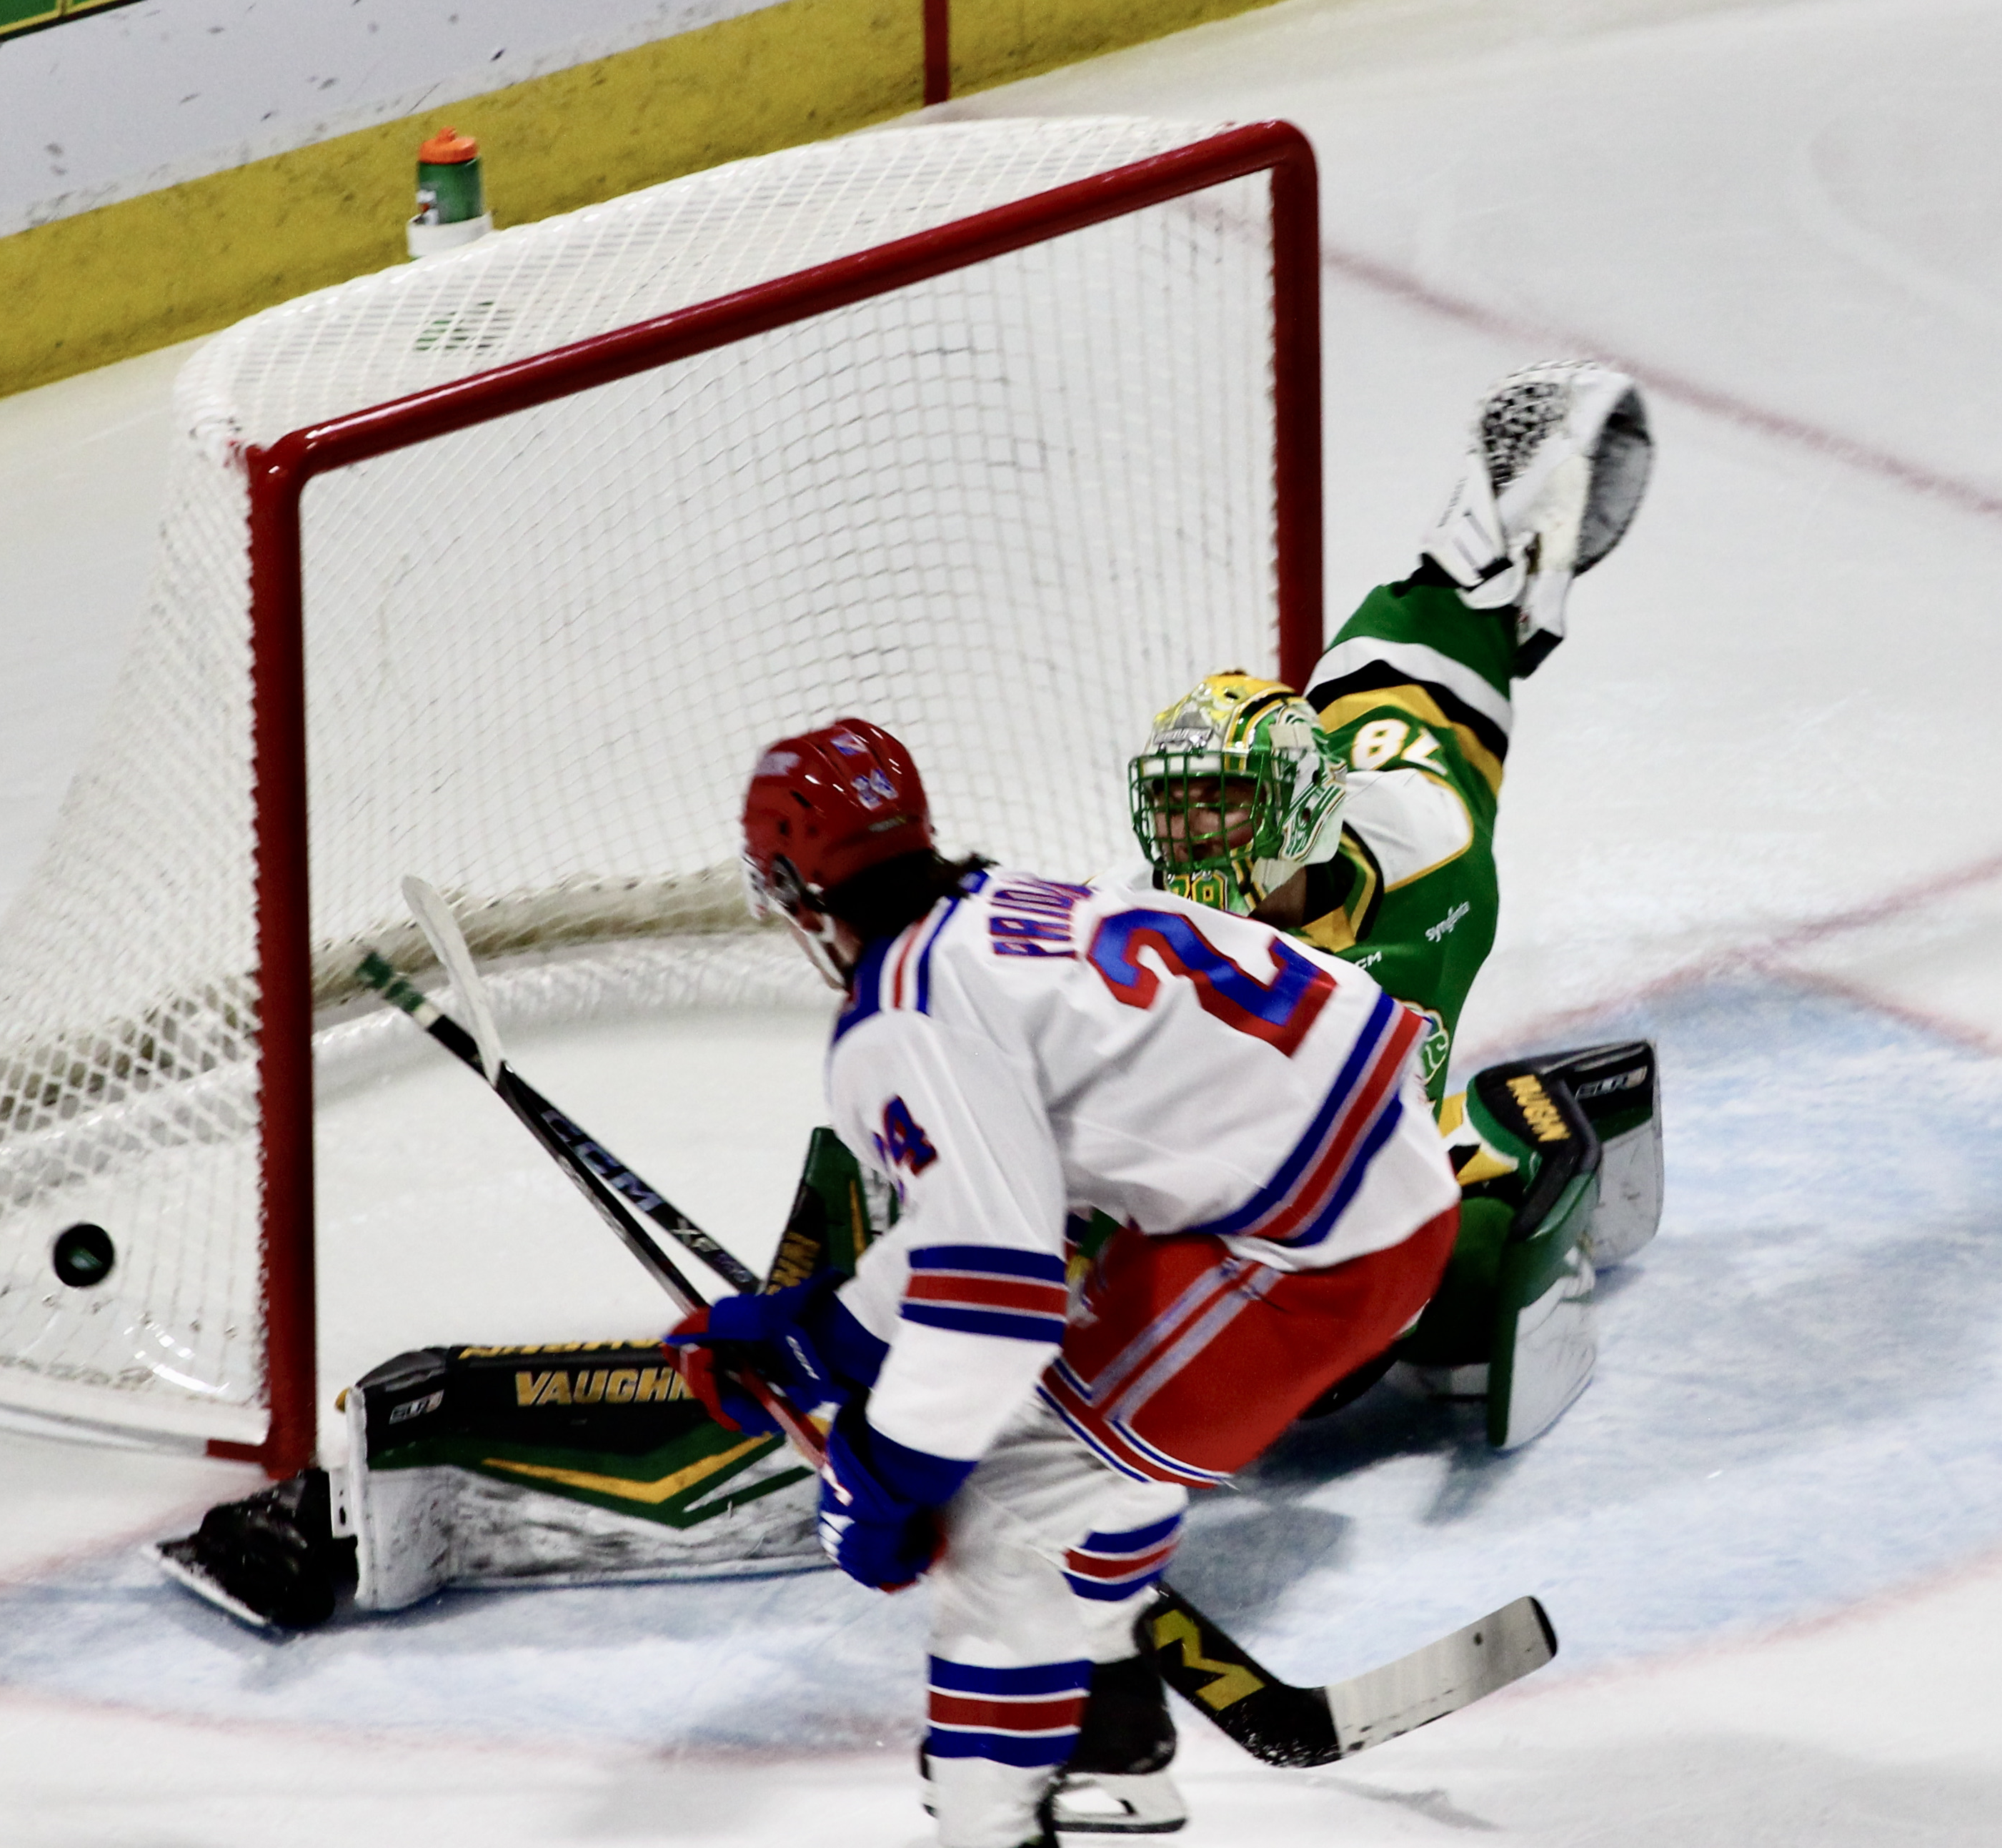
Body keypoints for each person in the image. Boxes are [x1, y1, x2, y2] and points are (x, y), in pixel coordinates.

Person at [667, 717, 1463, 1848]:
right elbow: (992, 1221)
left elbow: (996, 1290)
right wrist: (820, 1338)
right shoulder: (1001, 907)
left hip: (1317, 1239)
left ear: (799, 887)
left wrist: (881, 1476)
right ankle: (1109, 1741)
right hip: (1348, 1172)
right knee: (1080, 1424)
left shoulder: (903, 1010)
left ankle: (992, 1827)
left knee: (1001, 1506)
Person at [1120, 359, 1666, 1441]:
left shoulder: (1418, 858)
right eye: (1178, 812)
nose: (1192, 843)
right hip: (1253, 1218)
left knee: (1454, 1302)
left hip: (1355, 1245)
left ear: (1301, 813)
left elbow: (1427, 668)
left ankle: (1524, 1161)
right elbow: (1412, 654)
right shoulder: (1158, 918)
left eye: (1224, 809)